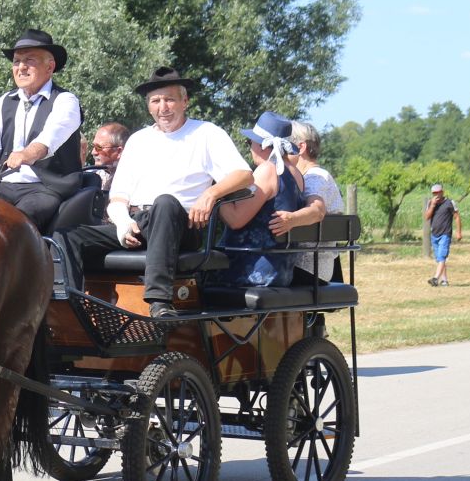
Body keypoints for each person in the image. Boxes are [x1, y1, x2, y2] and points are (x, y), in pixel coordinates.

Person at [56, 66, 253, 318]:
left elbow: (244, 174)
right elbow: (118, 197)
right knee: (67, 236)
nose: (163, 107)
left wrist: (211, 194)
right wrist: (123, 223)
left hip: (182, 223)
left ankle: (160, 301)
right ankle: (71, 306)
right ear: (148, 106)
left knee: (166, 202)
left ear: (185, 101)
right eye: (156, 101)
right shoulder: (138, 140)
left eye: (170, 99)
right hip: (140, 222)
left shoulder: (206, 133)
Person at [0, 29, 84, 233]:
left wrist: (27, 154)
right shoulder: (5, 101)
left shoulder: (66, 101)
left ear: (50, 67)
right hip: (3, 187)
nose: (21, 67)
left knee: (10, 226)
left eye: (29, 60)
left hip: (45, 189)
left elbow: (51, 137)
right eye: (16, 61)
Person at [213, 112, 306, 287]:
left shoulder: (267, 171)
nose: (250, 148)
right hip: (282, 271)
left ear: (264, 146)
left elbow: (235, 220)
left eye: (250, 142)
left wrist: (214, 191)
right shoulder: (296, 173)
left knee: (195, 274)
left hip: (251, 270)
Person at [268, 120, 342, 283]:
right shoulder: (312, 176)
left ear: (300, 147)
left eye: (283, 145)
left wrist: (291, 220)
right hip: (316, 269)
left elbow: (317, 210)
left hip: (307, 269)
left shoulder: (314, 177)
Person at [53, 122, 130, 230]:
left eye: (99, 147)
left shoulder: (131, 179)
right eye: (93, 146)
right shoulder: (91, 176)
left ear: (118, 151)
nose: (93, 152)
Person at [422, 183, 461, 286]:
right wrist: (433, 205)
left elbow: (456, 217)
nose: (436, 195)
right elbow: (427, 217)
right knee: (439, 259)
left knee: (442, 256)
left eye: (438, 192)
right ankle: (444, 280)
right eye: (434, 193)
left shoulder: (450, 202)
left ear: (442, 192)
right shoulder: (430, 203)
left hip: (445, 234)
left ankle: (435, 279)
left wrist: (458, 232)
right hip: (434, 234)